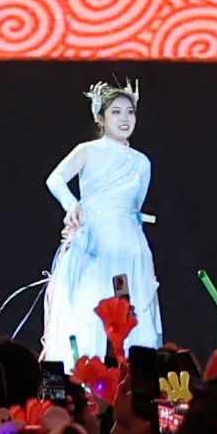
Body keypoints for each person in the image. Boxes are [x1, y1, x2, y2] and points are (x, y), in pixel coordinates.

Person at [42, 79, 160, 354]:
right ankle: (79, 383)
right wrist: (72, 205)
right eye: (116, 112)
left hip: (127, 246)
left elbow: (136, 205)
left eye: (129, 112)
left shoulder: (141, 162)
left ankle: (132, 383)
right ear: (101, 118)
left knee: (130, 314)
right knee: (86, 315)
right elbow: (55, 179)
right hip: (93, 245)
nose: (124, 118)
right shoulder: (88, 151)